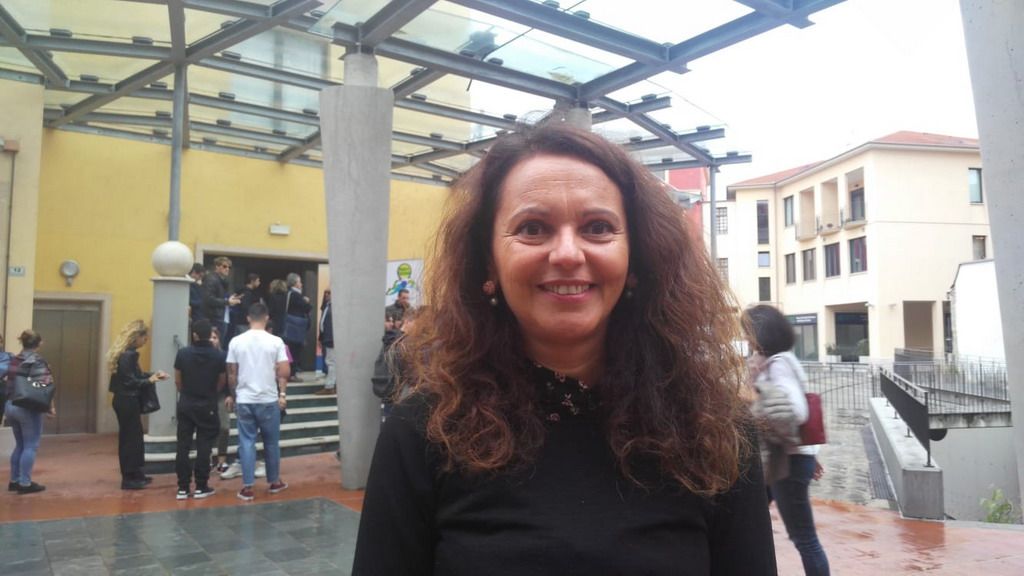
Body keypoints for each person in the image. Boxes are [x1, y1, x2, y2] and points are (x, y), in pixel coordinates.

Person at [352, 125, 775, 575]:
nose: (568, 254)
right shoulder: (423, 433)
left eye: (598, 228)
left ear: (635, 258)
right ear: (488, 263)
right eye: (533, 228)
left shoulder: (715, 432)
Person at [743, 304, 830, 576]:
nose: (745, 338)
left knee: (804, 538)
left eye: (747, 332)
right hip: (783, 461)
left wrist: (758, 387)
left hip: (787, 464)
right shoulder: (777, 361)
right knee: (749, 521)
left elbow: (797, 412)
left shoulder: (778, 365)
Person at [226, 302, 290, 501]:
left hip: (245, 399)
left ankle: (247, 487)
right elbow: (284, 371)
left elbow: (231, 373)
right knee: (271, 443)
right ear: (267, 318)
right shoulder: (276, 342)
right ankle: (274, 481)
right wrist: (282, 395)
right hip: (268, 399)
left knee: (246, 442)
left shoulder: (236, 342)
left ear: (248, 318)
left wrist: (234, 396)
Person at [107, 320, 169, 490]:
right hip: (127, 400)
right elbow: (130, 381)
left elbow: (133, 376)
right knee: (131, 439)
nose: (146, 340)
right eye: (144, 337)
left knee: (132, 438)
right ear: (136, 337)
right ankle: (129, 477)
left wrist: (152, 376)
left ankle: (135, 473)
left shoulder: (125, 354)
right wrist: (150, 380)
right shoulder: (129, 356)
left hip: (124, 399)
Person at [173, 319, 226, 500]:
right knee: (205, 445)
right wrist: (211, 393)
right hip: (208, 404)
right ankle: (201, 486)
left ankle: (182, 487)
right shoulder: (218, 356)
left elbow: (178, 380)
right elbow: (222, 380)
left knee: (183, 445)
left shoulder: (183, 354)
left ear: (194, 335)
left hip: (186, 402)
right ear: (209, 335)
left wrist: (186, 393)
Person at [5, 330, 55, 495]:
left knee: (20, 444)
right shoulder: (37, 361)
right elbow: (45, 386)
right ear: (39, 343)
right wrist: (50, 407)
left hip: (10, 405)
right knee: (30, 445)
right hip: (27, 408)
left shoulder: (14, 359)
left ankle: (14, 480)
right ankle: (25, 483)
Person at [201, 256, 241, 340]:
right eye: (224, 266)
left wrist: (230, 300)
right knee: (216, 343)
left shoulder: (221, 281)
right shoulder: (212, 279)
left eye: (229, 267)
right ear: (217, 267)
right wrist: (227, 302)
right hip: (214, 319)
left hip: (221, 317)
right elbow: (208, 299)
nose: (227, 269)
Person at [282, 273, 311, 381]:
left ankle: (290, 373)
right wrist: (306, 301)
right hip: (296, 327)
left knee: (290, 350)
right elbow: (307, 307)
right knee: (294, 350)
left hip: (290, 325)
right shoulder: (295, 295)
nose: (301, 284)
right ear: (295, 283)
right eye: (299, 282)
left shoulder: (288, 294)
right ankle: (292, 374)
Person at [315, 289, 336, 395]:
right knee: (331, 362)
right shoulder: (327, 306)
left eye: (329, 293)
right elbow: (322, 324)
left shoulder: (335, 307)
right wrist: (320, 338)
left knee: (331, 362)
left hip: (332, 339)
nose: (327, 295)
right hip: (327, 338)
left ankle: (330, 386)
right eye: (326, 293)